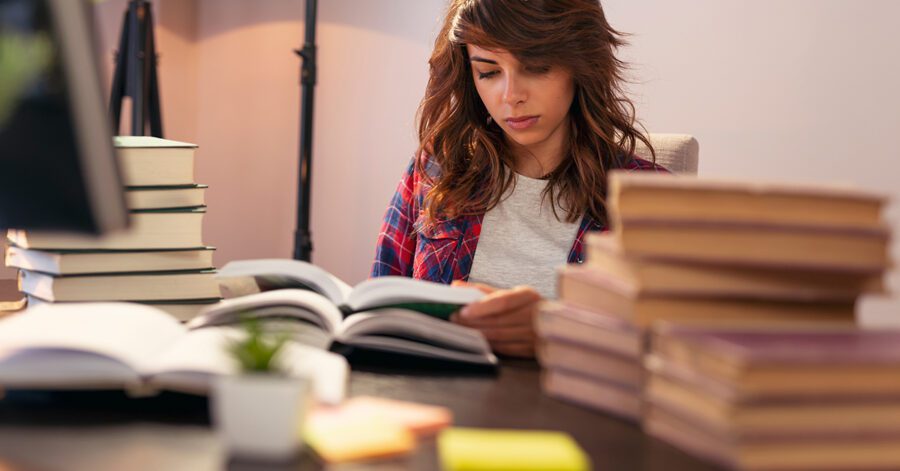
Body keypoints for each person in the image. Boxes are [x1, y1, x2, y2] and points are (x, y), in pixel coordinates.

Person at [372, 0, 666, 358]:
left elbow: (673, 354)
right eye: (489, 72)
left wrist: (555, 331)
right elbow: (379, 306)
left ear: (581, 64)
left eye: (536, 66)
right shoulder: (438, 168)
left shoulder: (649, 200)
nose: (511, 96)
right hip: (437, 403)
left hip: (570, 410)